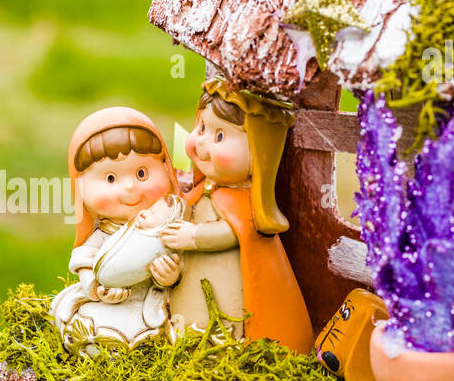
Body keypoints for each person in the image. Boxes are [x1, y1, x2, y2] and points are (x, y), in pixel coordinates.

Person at [161, 79, 313, 353]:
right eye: (202, 128)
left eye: (219, 136)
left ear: (258, 153)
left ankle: (223, 347)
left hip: (226, 293)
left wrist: (194, 236)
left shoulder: (244, 204)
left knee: (224, 316)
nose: (202, 142)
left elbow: (231, 232)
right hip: (192, 290)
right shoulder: (202, 192)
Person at [50, 107, 182, 352]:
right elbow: (85, 263)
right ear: (81, 188)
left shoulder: (169, 227)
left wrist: (171, 276)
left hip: (150, 302)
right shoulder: (101, 236)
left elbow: (186, 261)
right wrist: (96, 288)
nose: (130, 187)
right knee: (87, 324)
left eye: (142, 173)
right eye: (110, 179)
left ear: (166, 168)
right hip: (109, 304)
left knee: (170, 326)